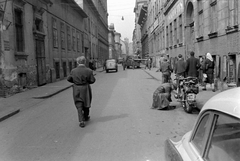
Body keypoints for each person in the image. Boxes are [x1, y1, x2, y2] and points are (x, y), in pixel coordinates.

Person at [67, 56, 96, 128]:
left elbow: (69, 79)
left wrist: (75, 81)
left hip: (76, 88)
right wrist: (87, 81)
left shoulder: (73, 71)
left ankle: (81, 121)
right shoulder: (89, 71)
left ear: (77, 62)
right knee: (86, 102)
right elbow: (92, 80)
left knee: (78, 103)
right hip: (85, 88)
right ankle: (86, 116)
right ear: (85, 62)